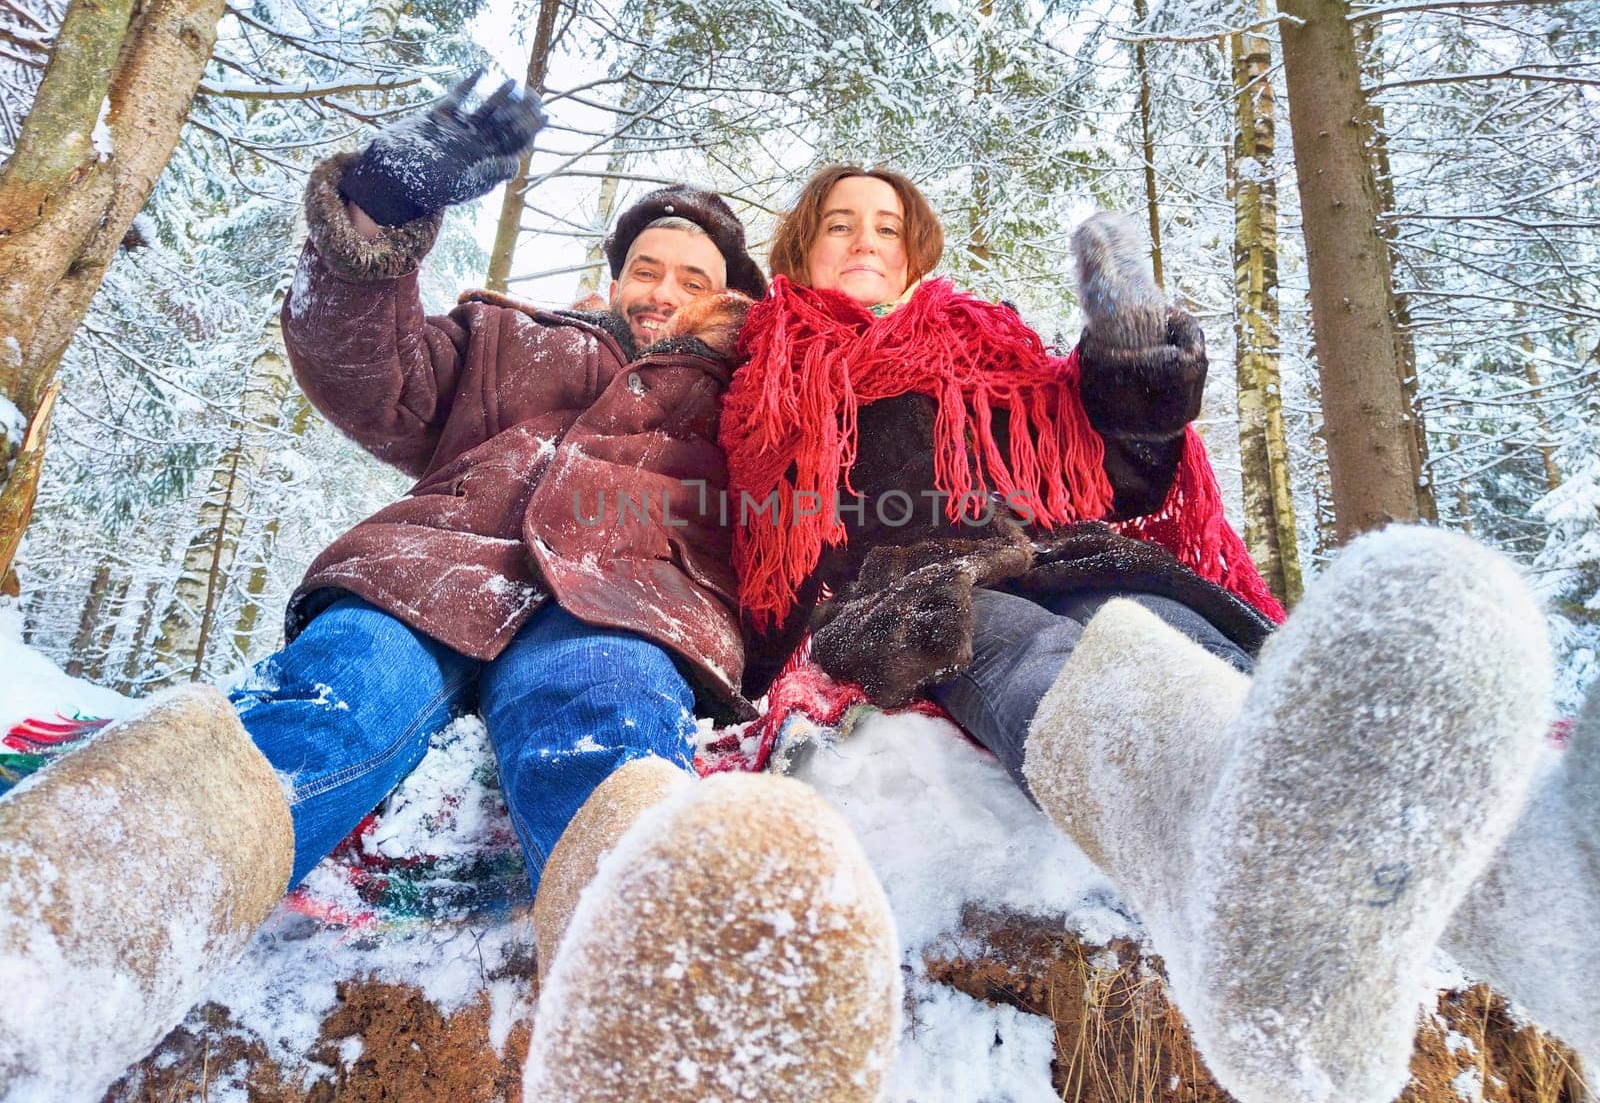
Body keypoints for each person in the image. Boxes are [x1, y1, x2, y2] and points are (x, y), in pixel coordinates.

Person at [0, 86, 902, 1103]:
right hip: (427, 573)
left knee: (606, 731)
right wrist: (379, 221)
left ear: (728, 295)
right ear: (612, 278)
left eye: (691, 276)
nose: (661, 287)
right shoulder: (512, 339)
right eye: (644, 266)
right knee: (325, 705)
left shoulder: (761, 388)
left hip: (632, 601)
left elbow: (825, 499)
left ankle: (667, 1034)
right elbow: (367, 374)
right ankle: (53, 948)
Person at [721, 164, 1599, 1103]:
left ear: (915, 251)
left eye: (887, 228)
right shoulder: (764, 363)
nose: (865, 241)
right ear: (800, 248)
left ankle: (1543, 895)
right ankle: (1240, 871)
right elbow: (745, 519)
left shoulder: (983, 343)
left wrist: (1130, 364)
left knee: (1186, 637)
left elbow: (1118, 477)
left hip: (1062, 556)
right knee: (1036, 660)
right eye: (840, 225)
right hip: (913, 593)